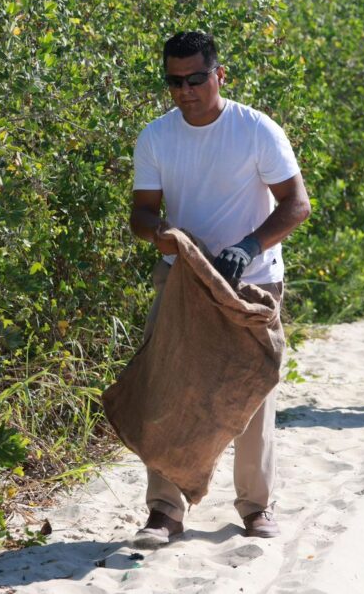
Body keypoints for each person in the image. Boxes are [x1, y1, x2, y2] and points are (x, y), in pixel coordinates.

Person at [129, 31, 311, 546]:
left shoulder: (256, 130)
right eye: (174, 81)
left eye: (195, 79)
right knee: (168, 390)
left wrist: (249, 246)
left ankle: (256, 507)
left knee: (252, 394)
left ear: (219, 76)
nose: (185, 90)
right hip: (183, 281)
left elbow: (297, 204)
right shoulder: (156, 137)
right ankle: (164, 512)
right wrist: (160, 232)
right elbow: (140, 212)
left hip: (252, 281)